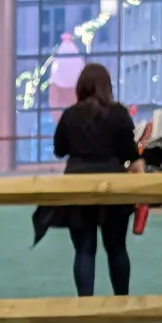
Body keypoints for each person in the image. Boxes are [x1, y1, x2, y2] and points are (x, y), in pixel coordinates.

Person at [41, 62, 140, 298]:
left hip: (78, 184)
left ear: (81, 87)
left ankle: (86, 305)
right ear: (108, 86)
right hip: (114, 185)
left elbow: (59, 150)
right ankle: (122, 303)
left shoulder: (70, 115)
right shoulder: (119, 113)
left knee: (84, 250)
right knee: (117, 248)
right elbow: (131, 155)